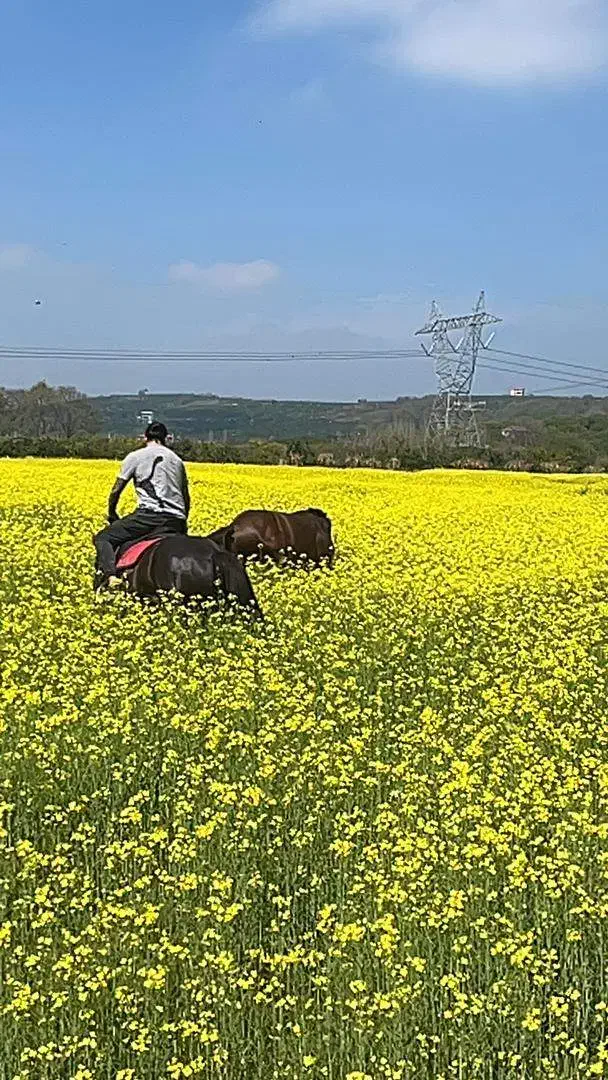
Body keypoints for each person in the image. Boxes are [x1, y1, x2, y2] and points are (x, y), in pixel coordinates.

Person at [94, 421, 190, 589]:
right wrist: (182, 522)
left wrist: (112, 512)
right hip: (176, 520)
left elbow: (116, 490)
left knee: (103, 538)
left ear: (146, 437)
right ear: (166, 439)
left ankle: (110, 577)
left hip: (149, 517)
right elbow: (185, 497)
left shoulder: (136, 456)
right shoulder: (177, 461)